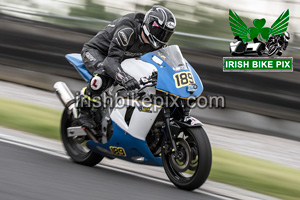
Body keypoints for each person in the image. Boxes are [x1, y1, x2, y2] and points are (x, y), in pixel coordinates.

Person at [78, 5, 176, 129]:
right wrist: (124, 78)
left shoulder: (158, 44)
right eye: (160, 32)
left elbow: (166, 63)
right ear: (150, 25)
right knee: (103, 75)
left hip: (122, 57)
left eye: (166, 34)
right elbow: (110, 62)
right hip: (97, 52)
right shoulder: (128, 30)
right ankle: (83, 109)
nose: (162, 37)